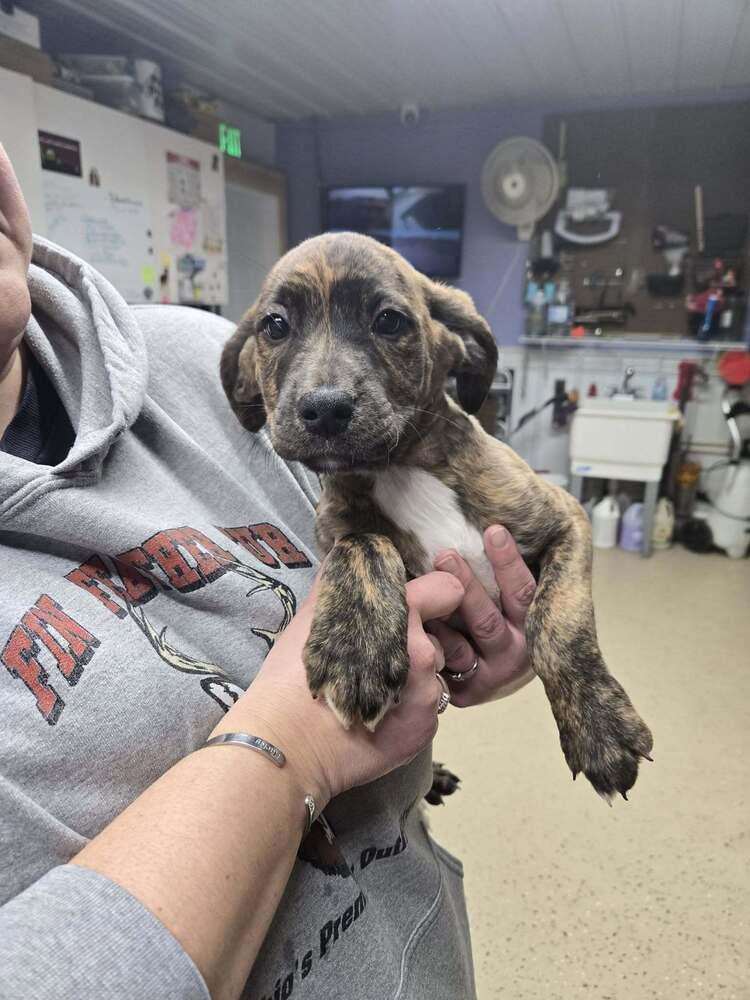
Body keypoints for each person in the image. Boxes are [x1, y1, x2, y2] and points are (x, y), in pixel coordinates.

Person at [0, 141, 536, 1000]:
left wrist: (468, 640)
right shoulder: (254, 358)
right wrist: (298, 743)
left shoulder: (196, 358)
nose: (319, 383)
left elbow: (384, 564)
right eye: (284, 331)